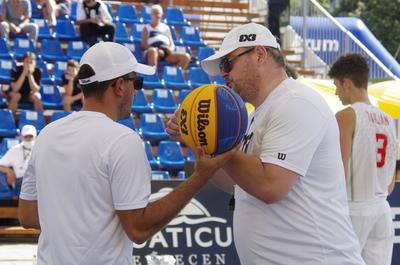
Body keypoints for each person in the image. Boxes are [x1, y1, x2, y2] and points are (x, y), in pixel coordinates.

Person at [18, 42, 236, 264]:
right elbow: (138, 229)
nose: (136, 91)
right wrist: (200, 177)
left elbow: (27, 214)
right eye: (137, 82)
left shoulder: (47, 134)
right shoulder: (122, 140)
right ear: (120, 86)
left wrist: (77, 223)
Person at [167, 23, 366, 265]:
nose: (223, 74)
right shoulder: (258, 114)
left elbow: (271, 186)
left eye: (228, 63)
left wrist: (215, 138)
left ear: (260, 54)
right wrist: (196, 139)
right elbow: (234, 183)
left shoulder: (297, 102)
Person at [328, 53, 397, 265]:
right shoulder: (389, 120)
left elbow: (337, 172)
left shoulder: (346, 116)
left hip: (353, 209)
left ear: (347, 83)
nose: (337, 92)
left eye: (337, 85)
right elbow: (391, 184)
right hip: (381, 209)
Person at [141, 4, 190, 69]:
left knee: (185, 57)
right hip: (153, 51)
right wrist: (157, 50)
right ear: (151, 15)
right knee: (152, 51)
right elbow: (144, 44)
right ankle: (153, 76)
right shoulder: (146, 28)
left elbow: (171, 43)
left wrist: (170, 49)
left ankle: (173, 76)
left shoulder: (166, 28)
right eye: (155, 13)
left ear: (161, 15)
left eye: (159, 13)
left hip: (166, 52)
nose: (157, 16)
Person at [0, 125, 36, 198]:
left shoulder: (40, 149)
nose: (28, 139)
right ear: (21, 137)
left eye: (31, 136)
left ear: (35, 137)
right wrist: (9, 171)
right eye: (26, 136)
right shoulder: (15, 150)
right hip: (21, 182)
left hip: (37, 181)